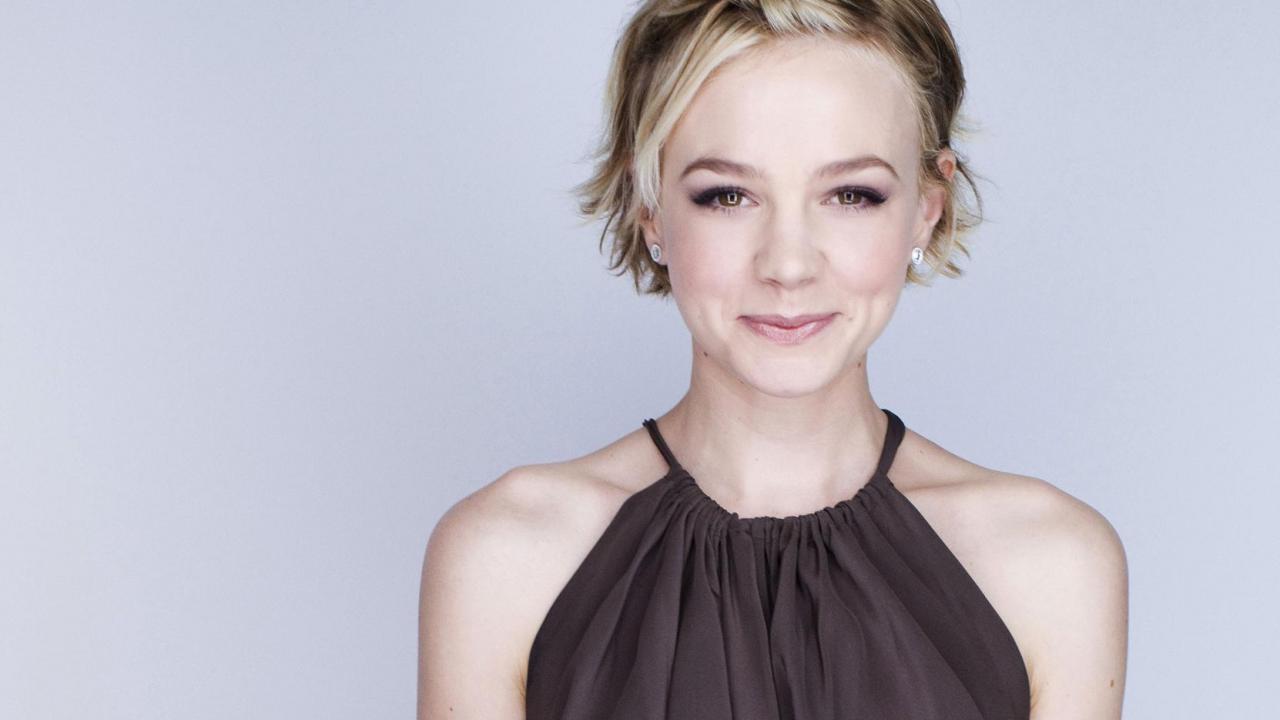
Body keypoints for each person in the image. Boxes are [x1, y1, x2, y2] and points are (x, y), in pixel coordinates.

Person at [418, 1, 1128, 718]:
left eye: (851, 195)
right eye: (728, 196)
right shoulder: (505, 559)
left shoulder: (1051, 566)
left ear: (926, 208)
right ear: (650, 208)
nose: (788, 265)